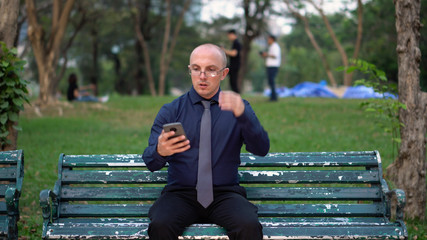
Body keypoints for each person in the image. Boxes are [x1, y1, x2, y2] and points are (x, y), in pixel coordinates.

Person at [142, 43, 270, 240]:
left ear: (224, 73)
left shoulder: (239, 108)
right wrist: (160, 151)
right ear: (190, 70)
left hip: (225, 194)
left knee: (248, 226)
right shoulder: (171, 111)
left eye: (210, 70)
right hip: (180, 195)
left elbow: (261, 149)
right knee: (161, 225)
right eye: (196, 69)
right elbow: (150, 162)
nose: (202, 76)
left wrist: (244, 117)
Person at [261, 35, 281, 101]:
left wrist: (266, 54)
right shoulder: (272, 46)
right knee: (270, 82)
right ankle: (273, 96)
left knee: (272, 81)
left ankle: (274, 97)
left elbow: (275, 56)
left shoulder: (275, 46)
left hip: (273, 66)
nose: (268, 41)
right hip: (270, 66)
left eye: (268, 39)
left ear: (272, 39)